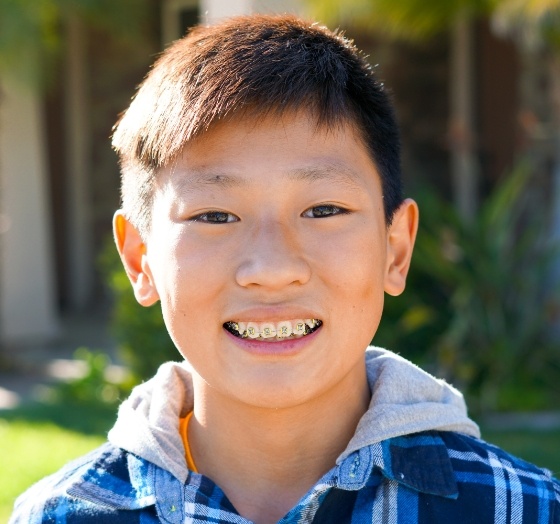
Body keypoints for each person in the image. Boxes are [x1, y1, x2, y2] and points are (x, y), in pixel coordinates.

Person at [10, 14, 560, 524]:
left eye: (323, 210)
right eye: (215, 215)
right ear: (140, 259)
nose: (272, 269)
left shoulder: (523, 508)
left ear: (395, 249)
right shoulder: (59, 514)